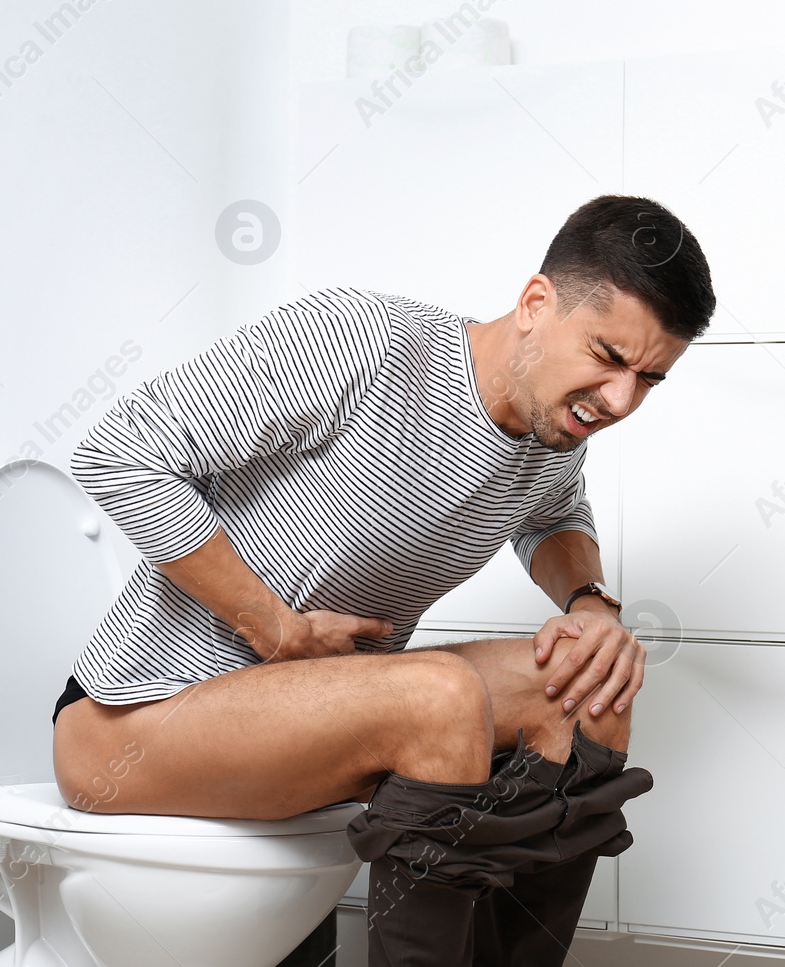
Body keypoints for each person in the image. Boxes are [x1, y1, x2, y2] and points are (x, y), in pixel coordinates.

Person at [52, 194, 716, 966]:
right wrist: (274, 624)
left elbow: (555, 512)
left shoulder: (554, 427)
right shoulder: (363, 342)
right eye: (608, 356)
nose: (620, 401)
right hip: (131, 723)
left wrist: (590, 603)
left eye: (649, 379)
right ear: (537, 302)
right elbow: (118, 453)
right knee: (436, 694)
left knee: (586, 685)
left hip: (301, 725)